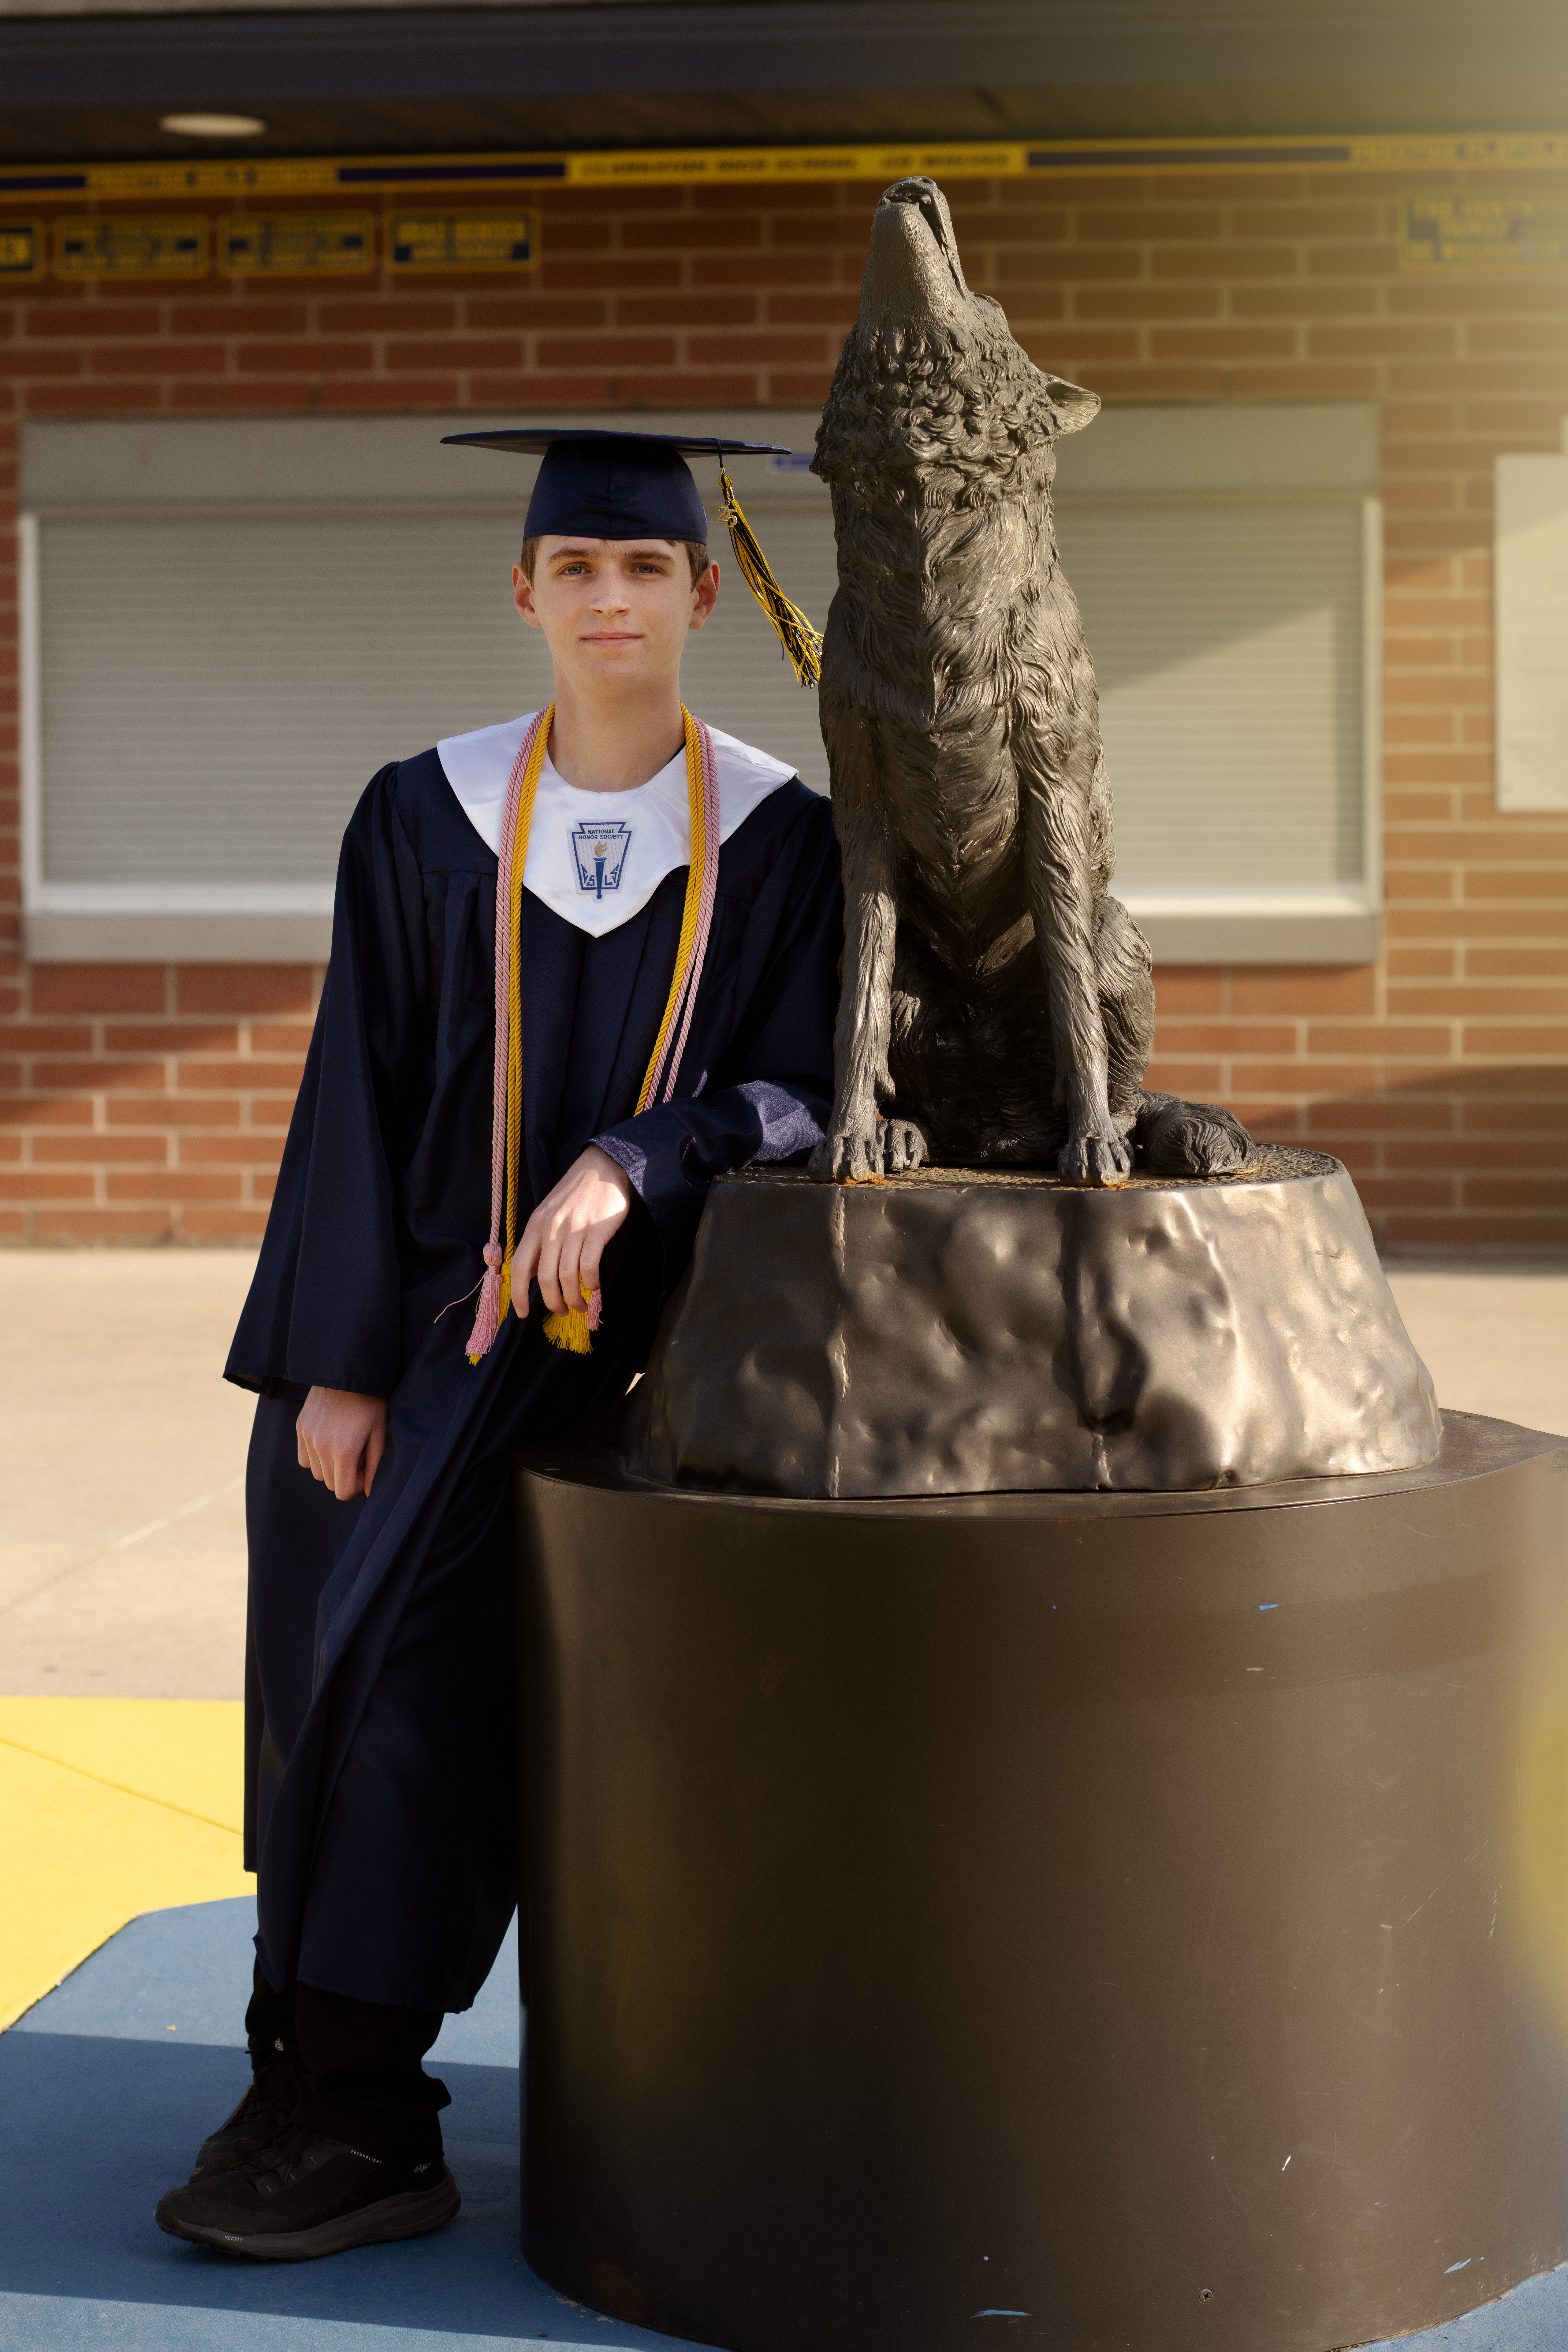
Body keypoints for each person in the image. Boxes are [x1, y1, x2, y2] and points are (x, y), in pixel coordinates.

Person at [155, 430, 843, 2262]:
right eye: (575, 568)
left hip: (631, 1345)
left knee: (411, 1699)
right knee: (325, 1697)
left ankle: (368, 2103)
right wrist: (336, 1362)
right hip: (400, 1337)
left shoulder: (781, 831)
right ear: (521, 592)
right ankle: (308, 2072)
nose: (608, 598)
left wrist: (636, 1155)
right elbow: (350, 1103)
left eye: (643, 567)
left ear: (707, 595)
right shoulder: (421, 809)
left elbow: (807, 1091)